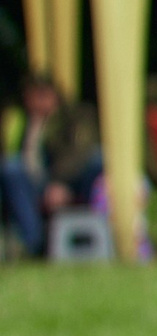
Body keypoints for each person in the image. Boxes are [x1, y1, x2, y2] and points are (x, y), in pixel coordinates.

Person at [1, 74, 101, 257]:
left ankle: (41, 245)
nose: (37, 102)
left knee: (98, 158)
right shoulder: (20, 121)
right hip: (32, 183)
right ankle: (34, 244)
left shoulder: (73, 118)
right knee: (10, 170)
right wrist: (33, 129)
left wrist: (59, 183)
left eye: (42, 95)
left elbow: (81, 153)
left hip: (68, 180)